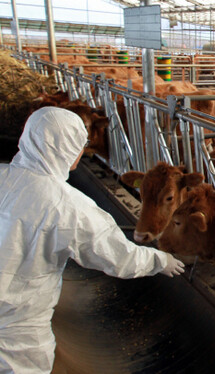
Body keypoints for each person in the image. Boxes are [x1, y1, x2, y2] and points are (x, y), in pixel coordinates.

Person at [0, 106, 185, 373]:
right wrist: (160, 259)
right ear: (69, 149)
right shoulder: (68, 205)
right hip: (17, 332)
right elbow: (117, 256)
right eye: (80, 144)